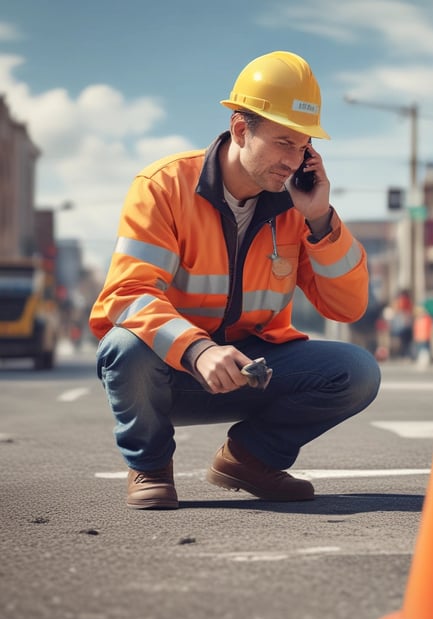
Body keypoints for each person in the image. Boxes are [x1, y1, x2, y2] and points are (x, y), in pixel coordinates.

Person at [89, 51, 381, 509]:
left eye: (304, 146)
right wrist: (197, 349)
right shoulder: (163, 187)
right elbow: (127, 295)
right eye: (283, 141)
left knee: (357, 372)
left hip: (252, 373)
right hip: (171, 371)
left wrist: (320, 219)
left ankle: (249, 459)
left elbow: (347, 307)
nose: (294, 160)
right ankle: (149, 465)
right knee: (125, 348)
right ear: (241, 129)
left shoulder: (295, 207)